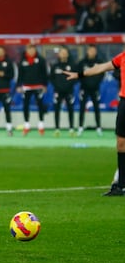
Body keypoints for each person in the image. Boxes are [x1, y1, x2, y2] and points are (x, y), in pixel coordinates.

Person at [64, 50, 125, 196]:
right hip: (124, 102)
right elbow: (102, 67)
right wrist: (80, 75)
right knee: (121, 143)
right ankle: (121, 184)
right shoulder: (122, 56)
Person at [17, 44, 48, 136]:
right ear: (26, 50)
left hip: (38, 86)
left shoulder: (41, 60)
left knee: (40, 105)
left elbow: (45, 74)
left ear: (35, 50)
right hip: (26, 87)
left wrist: (44, 85)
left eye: (33, 49)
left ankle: (41, 125)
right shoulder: (22, 61)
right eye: (29, 49)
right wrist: (19, 85)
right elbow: (20, 75)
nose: (31, 51)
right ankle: (26, 125)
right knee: (26, 106)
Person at [76, 44, 105, 136]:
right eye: (90, 50)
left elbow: (102, 74)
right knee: (81, 108)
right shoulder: (82, 63)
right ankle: (80, 127)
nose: (92, 52)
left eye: (94, 51)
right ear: (87, 51)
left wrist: (95, 82)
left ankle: (99, 127)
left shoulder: (99, 62)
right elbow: (79, 74)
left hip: (95, 88)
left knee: (97, 108)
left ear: (96, 52)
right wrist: (84, 83)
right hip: (84, 89)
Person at [50, 46, 76, 137]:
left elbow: (75, 78)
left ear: (68, 54)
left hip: (69, 91)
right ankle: (57, 129)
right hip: (58, 91)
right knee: (56, 109)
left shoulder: (72, 65)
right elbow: (51, 78)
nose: (64, 54)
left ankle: (71, 129)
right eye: (62, 52)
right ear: (59, 54)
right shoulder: (55, 66)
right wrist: (58, 86)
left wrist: (68, 86)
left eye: (65, 52)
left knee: (70, 109)